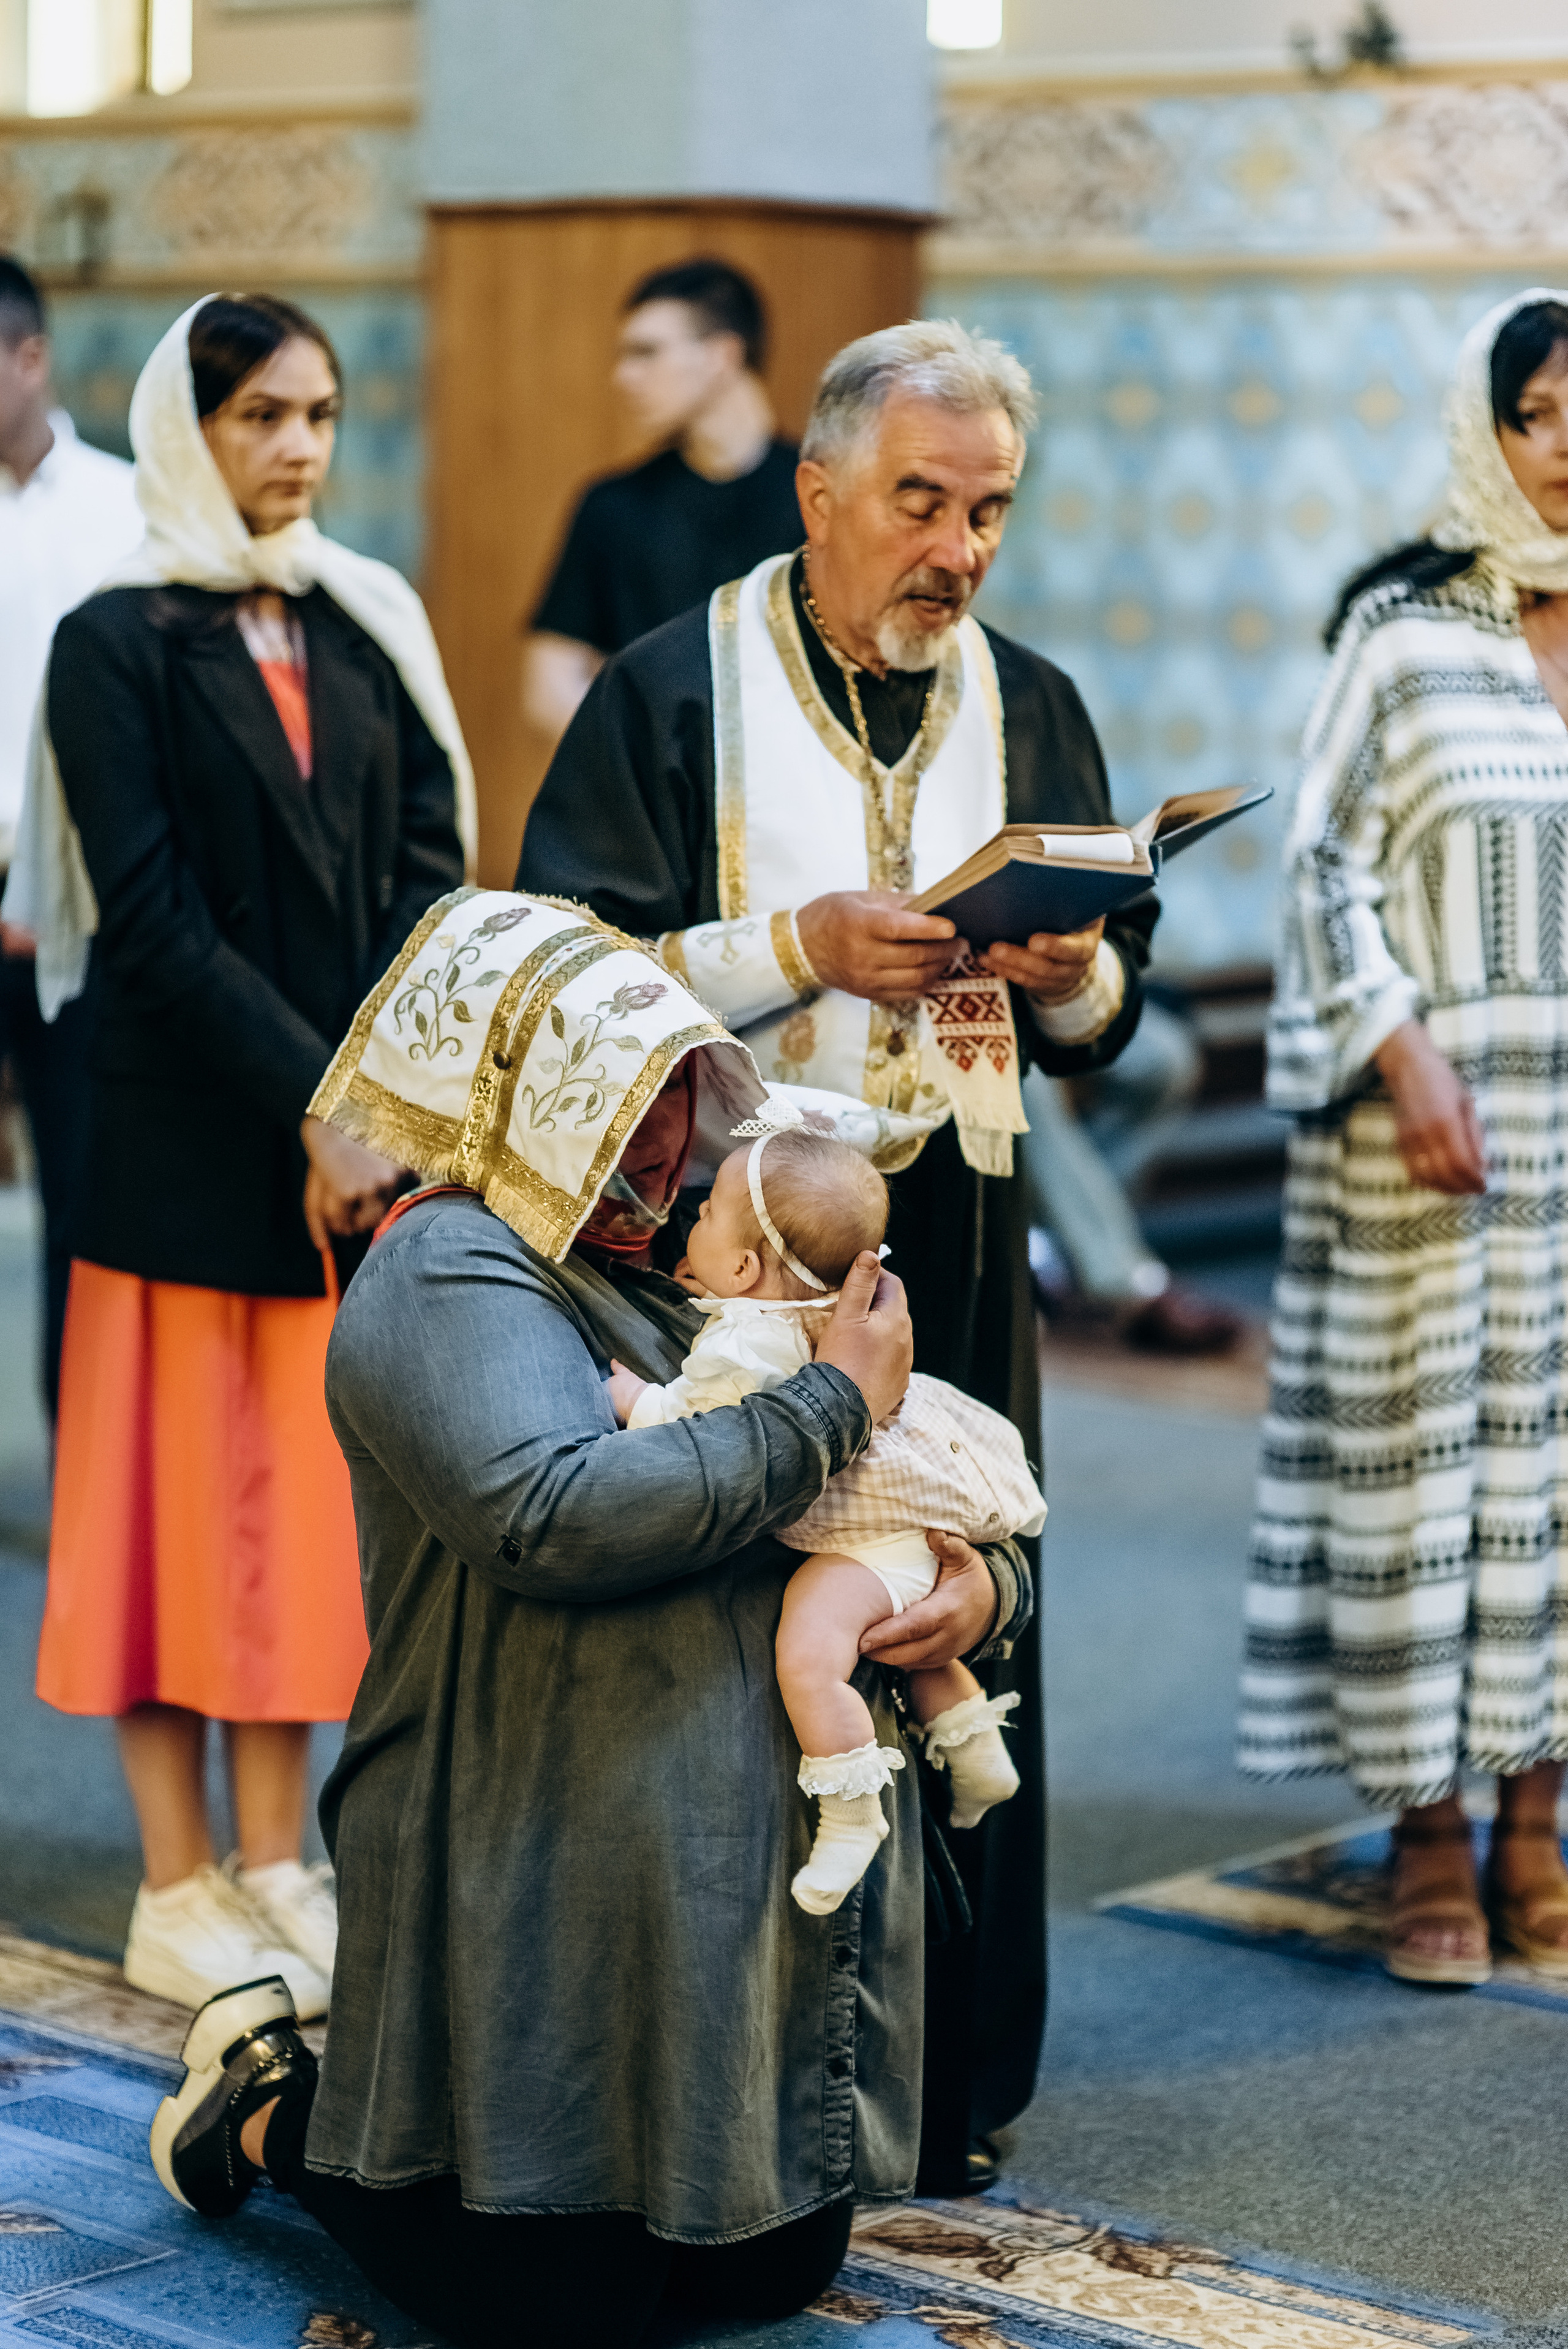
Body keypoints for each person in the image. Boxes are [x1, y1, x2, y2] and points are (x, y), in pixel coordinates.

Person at [146, 886, 1030, 2349]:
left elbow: (931, 1465)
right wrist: (825, 1401)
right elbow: (551, 1515)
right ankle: (268, 2108)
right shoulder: (445, 1265)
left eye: (680, 1099)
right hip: (528, 1856)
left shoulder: (716, 1256)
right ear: (522, 1098)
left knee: (765, 2274)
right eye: (623, 1104)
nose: (666, 1149)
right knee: (553, 2306)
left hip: (722, 1898)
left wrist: (970, 1588)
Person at [521, 316, 1155, 2191]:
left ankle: (946, 2076)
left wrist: (1073, 969)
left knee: (961, 1606)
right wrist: (787, 944)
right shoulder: (669, 686)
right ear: (817, 493)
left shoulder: (1024, 698)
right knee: (765, 1639)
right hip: (728, 1246)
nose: (958, 550)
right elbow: (559, 975)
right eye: (919, 503)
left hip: (954, 1226)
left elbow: (1109, 1011)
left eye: (989, 512)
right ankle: (745, 2092)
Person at [13, 293, 469, 2014]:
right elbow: (147, 918)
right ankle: (173, 1876)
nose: (295, 447)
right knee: (161, 1511)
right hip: (185, 1134)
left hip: (345, 1147)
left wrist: (381, 1093)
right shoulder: (112, 636)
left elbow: (429, 868)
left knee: (291, 1512)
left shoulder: (365, 622)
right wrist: (318, 1099)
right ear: (186, 427)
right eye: (261, 415)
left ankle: (279, 1858)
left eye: (320, 414)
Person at [1242, 288, 1568, 1989]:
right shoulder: (1405, 629)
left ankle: (1538, 1807)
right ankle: (1427, 1824)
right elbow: (1318, 862)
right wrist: (1401, 1047)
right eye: (1540, 413)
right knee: (1422, 1478)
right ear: (1484, 430)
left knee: (1559, 1480)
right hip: (1427, 1135)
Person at [606, 1115, 1044, 1914]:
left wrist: (634, 1398)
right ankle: (977, 1750)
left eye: (705, 1215)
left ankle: (849, 1814)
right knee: (901, 1641)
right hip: (906, 1531)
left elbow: (704, 1424)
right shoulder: (819, 1312)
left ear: (742, 1266)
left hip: (868, 1538)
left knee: (812, 1653)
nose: (691, 1217)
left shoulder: (751, 1343)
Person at [0, 254, 141, 1417]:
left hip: (85, 903)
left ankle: (79, 1463)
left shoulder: (125, 511)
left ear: (29, 357)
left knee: (78, 1192)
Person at [523, 257, 802, 743]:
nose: (623, 377)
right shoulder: (613, 505)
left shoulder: (825, 498)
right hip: (653, 800)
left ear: (722, 356)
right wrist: (651, 768)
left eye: (646, 353)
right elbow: (549, 687)